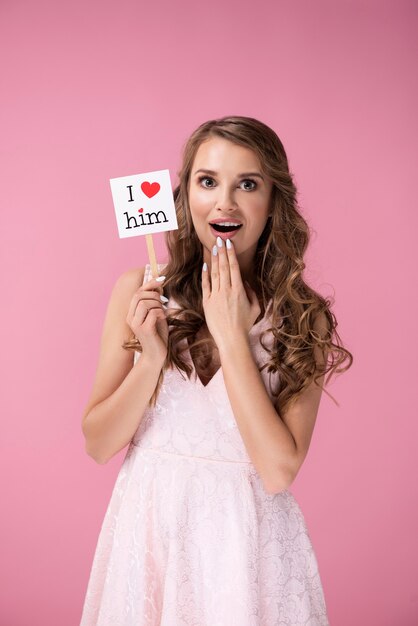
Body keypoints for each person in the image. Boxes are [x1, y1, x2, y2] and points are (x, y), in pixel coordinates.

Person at [79, 115, 353, 625]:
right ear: (186, 197)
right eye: (208, 182)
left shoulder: (300, 314)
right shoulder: (138, 292)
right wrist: (152, 361)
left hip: (248, 549)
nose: (224, 202)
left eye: (247, 184)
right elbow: (97, 444)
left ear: (273, 202)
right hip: (151, 536)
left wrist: (232, 336)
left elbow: (278, 470)